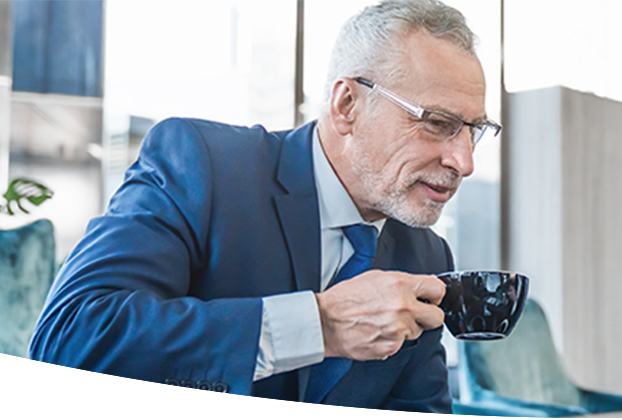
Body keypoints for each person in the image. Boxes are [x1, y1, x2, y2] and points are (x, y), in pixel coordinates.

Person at [28, 0, 498, 412]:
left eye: (473, 130)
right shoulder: (204, 165)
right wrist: (319, 324)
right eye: (437, 123)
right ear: (347, 105)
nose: (465, 161)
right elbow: (69, 341)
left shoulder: (428, 258)